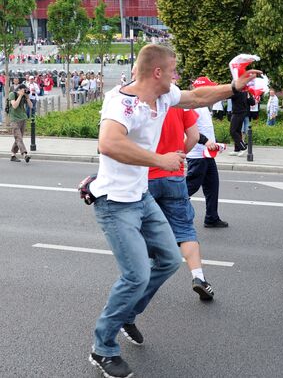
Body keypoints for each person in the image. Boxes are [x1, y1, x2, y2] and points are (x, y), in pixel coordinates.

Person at [87, 44, 259, 378]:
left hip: (141, 198)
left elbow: (196, 98)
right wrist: (160, 160)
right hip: (115, 203)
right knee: (135, 274)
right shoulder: (121, 102)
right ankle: (102, 348)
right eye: (173, 69)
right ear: (157, 72)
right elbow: (108, 143)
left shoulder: (164, 97)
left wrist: (234, 86)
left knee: (167, 259)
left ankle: (126, 313)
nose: (176, 75)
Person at [148, 84, 216, 301]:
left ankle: (145, 276)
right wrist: (179, 155)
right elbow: (194, 136)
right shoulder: (177, 97)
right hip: (174, 175)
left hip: (145, 175)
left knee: (144, 227)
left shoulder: (140, 95)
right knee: (185, 229)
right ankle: (199, 277)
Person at [186, 77, 229, 229]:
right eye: (209, 88)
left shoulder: (202, 105)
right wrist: (206, 141)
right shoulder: (193, 106)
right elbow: (191, 130)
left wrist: (214, 144)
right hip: (197, 155)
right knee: (190, 186)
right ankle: (171, 209)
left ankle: (211, 217)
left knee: (212, 186)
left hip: (207, 153)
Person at [8, 84, 32, 163]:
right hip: (14, 119)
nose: (25, 91)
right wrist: (20, 96)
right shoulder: (12, 94)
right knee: (19, 138)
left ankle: (13, 155)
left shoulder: (24, 96)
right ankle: (25, 154)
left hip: (23, 119)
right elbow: (14, 106)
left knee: (18, 138)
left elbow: (31, 106)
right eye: (24, 90)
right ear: (20, 89)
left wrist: (27, 98)